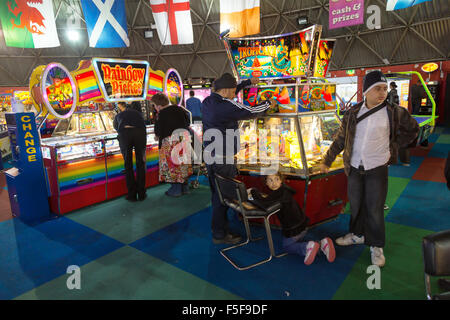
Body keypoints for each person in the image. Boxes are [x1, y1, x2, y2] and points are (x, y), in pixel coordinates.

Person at [319, 70, 419, 267]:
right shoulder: (352, 113)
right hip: (355, 167)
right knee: (355, 205)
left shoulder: (394, 112)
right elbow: (341, 139)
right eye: (377, 89)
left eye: (384, 89)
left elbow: (413, 130)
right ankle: (357, 234)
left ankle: (376, 246)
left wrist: (394, 146)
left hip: (377, 167)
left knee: (374, 209)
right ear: (365, 91)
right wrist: (327, 160)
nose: (382, 93)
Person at [202, 73, 275, 244]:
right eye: (233, 91)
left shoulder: (208, 102)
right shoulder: (225, 106)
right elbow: (250, 111)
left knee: (216, 195)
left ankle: (220, 228)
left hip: (211, 156)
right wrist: (267, 103)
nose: (235, 94)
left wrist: (247, 83)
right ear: (226, 90)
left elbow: (230, 98)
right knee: (223, 198)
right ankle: (220, 234)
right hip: (223, 159)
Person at [248, 172, 336, 265]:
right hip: (302, 224)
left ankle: (307, 247)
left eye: (276, 179)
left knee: (287, 247)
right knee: (300, 238)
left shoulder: (278, 194)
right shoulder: (284, 190)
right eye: (270, 180)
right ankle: (323, 244)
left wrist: (252, 192)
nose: (274, 183)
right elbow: (269, 200)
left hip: (293, 228)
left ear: (281, 180)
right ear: (266, 183)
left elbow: (264, 204)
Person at [151, 93, 192, 197]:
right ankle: (185, 188)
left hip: (170, 142)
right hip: (183, 138)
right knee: (183, 163)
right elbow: (187, 122)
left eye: (154, 105)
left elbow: (158, 131)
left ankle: (176, 189)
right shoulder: (179, 109)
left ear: (158, 105)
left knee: (172, 166)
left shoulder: (161, 114)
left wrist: (157, 136)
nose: (155, 108)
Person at [113, 101, 147, 202]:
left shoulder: (119, 115)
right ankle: (141, 193)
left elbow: (116, 127)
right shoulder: (138, 113)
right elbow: (143, 125)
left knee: (128, 165)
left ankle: (132, 195)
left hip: (125, 135)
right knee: (140, 163)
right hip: (139, 134)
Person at [388, 82, 410, 166]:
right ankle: (405, 161)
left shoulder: (391, 93)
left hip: (392, 118)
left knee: (391, 141)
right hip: (398, 120)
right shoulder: (396, 93)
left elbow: (391, 103)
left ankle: (389, 161)